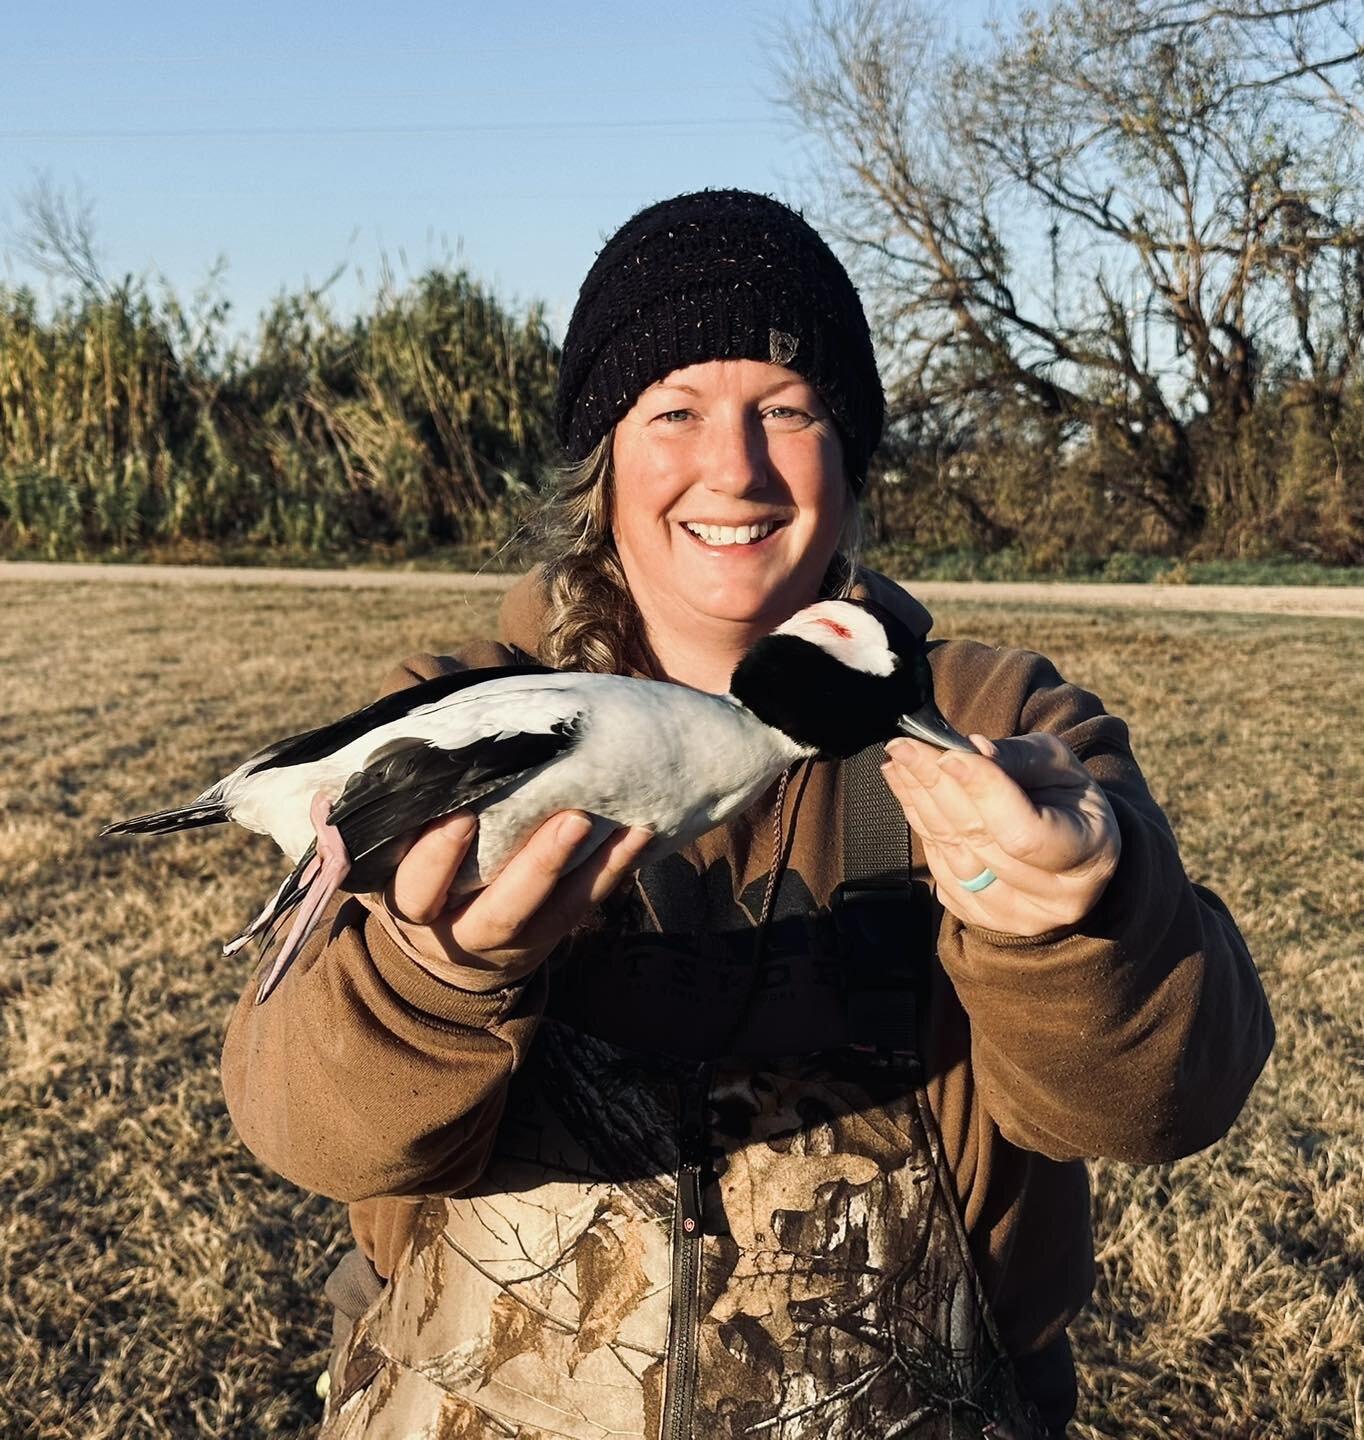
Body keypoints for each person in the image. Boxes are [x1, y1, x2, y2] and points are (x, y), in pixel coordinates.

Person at [221, 189, 1274, 1439]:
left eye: (786, 408)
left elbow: (1158, 1106)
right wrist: (434, 981)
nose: (734, 466)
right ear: (601, 459)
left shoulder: (998, 724)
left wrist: (1068, 930)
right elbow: (312, 1134)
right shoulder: (451, 725)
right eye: (673, 411)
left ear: (848, 456)